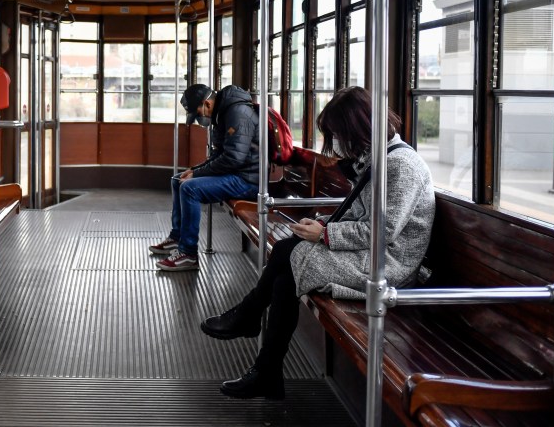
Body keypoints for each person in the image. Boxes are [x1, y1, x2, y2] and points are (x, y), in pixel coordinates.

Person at [199, 86, 435, 399]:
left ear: (357, 127)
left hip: (389, 264)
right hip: (370, 252)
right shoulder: (379, 158)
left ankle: (251, 323)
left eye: (338, 133)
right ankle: (263, 363)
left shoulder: (401, 166)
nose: (335, 142)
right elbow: (360, 215)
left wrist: (325, 234)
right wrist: (323, 224)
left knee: (287, 254)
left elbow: (384, 231)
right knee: (286, 273)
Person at [149, 83, 260, 272]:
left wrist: (197, 174)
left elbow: (233, 158)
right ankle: (178, 237)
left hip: (248, 179)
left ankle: (188, 254)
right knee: (179, 180)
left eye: (198, 113)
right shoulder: (223, 112)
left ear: (206, 103)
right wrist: (194, 169)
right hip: (236, 172)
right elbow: (220, 154)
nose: (201, 119)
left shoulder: (237, 113)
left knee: (189, 188)